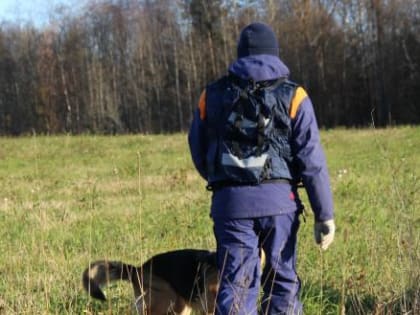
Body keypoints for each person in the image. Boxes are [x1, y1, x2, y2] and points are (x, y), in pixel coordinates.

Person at [188, 22, 335, 315]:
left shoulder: (212, 95)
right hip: (280, 205)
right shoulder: (295, 96)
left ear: (240, 54)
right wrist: (324, 214)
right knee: (282, 281)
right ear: (275, 53)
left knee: (236, 285)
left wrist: (222, 182)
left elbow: (197, 147)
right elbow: (311, 160)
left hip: (230, 206)